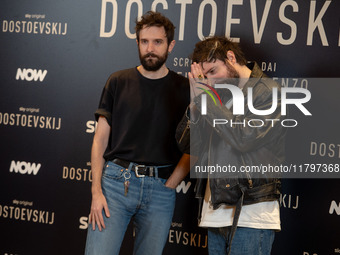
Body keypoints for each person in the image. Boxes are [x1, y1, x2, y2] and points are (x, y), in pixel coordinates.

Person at [85, 11, 190, 255]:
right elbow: (100, 140)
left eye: (158, 42)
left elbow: (196, 143)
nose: (150, 48)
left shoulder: (185, 89)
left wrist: (170, 184)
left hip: (160, 191)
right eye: (144, 42)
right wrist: (96, 191)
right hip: (114, 186)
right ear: (137, 43)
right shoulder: (118, 81)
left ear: (170, 45)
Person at [177, 36, 286, 255]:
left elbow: (244, 138)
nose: (210, 81)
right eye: (204, 76)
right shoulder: (215, 95)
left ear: (230, 57)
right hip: (214, 215)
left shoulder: (267, 92)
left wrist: (207, 100)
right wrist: (196, 106)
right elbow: (187, 146)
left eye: (213, 71)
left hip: (251, 217)